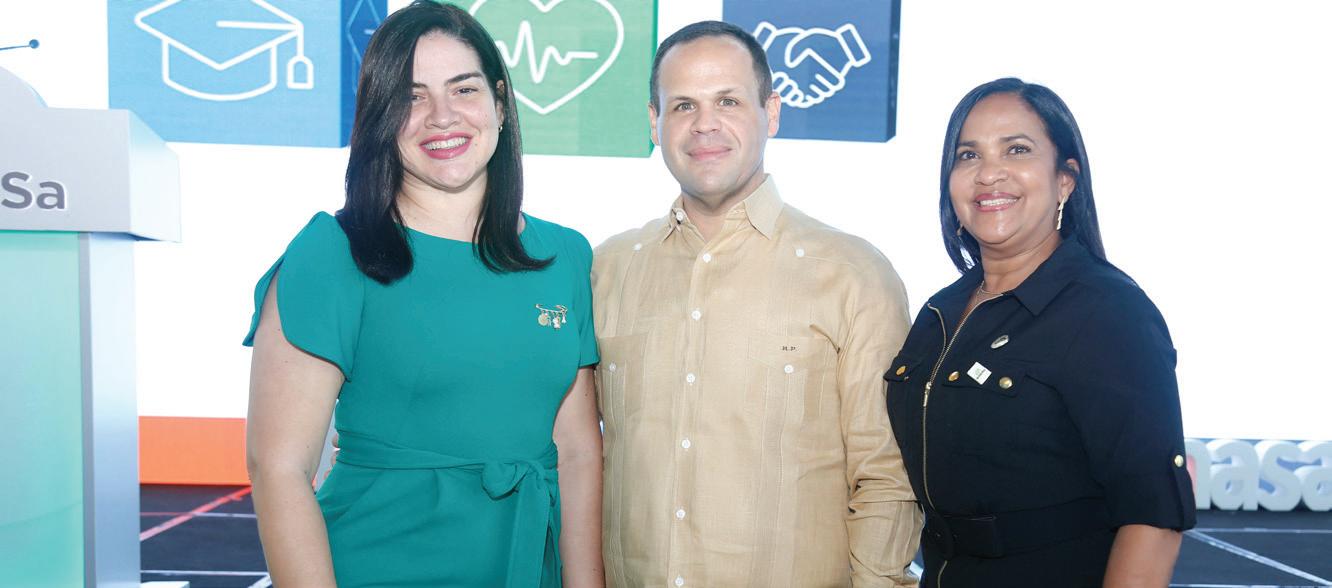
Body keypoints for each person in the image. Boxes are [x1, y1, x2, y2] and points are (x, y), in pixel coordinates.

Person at [242, 2, 603, 586]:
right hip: (377, 564)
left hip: (526, 567)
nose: (441, 116)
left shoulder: (565, 254)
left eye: (464, 89)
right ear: (381, 117)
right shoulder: (332, 252)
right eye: (411, 97)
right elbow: (278, 467)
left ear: (500, 104)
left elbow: (578, 450)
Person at [592, 21, 922, 587]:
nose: (705, 124)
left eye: (728, 101)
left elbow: (886, 478)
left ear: (771, 112)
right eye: (683, 105)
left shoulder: (853, 275)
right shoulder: (607, 270)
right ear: (653, 122)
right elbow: (579, 458)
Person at [884, 78, 1196, 587]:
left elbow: (1153, 517)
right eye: (968, 155)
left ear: (1065, 179)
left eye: (1017, 150)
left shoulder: (1108, 311)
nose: (989, 173)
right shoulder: (940, 311)